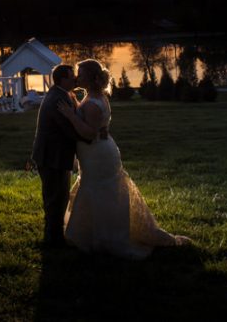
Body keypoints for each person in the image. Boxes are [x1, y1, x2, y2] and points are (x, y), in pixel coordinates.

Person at [57, 58, 191, 259]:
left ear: (92, 78)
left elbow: (89, 133)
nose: (77, 77)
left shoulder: (93, 103)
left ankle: (107, 238)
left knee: (100, 192)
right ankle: (94, 235)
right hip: (98, 152)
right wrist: (74, 103)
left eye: (81, 74)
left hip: (98, 154)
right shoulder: (92, 96)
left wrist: (70, 116)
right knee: (97, 190)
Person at [31, 64, 87, 248]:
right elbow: (70, 130)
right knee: (56, 197)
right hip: (51, 156)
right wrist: (91, 137)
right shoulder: (58, 99)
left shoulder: (62, 93)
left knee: (58, 196)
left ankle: (54, 235)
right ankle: (52, 239)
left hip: (54, 154)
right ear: (62, 79)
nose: (76, 80)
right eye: (72, 78)